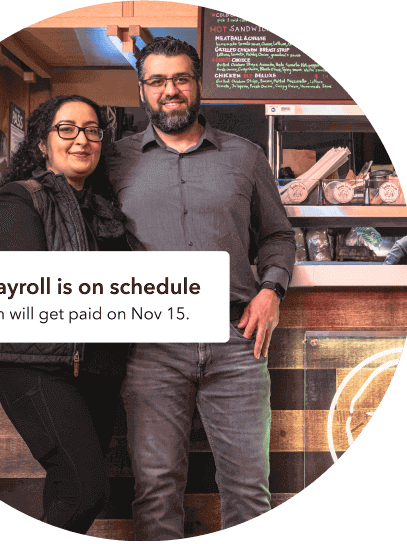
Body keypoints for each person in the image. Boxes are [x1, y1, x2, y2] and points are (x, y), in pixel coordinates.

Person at [106, 37, 296, 539]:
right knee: (155, 488)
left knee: (249, 488)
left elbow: (278, 234)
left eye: (180, 79)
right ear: (142, 89)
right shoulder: (115, 160)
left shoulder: (245, 156)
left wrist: (271, 289)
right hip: (150, 343)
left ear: (197, 84)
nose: (170, 90)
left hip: (236, 337)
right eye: (157, 81)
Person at [0, 95, 143, 534]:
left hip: (99, 370)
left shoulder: (107, 208)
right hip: (37, 367)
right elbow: (30, 287)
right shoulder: (21, 198)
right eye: (67, 129)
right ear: (41, 143)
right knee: (86, 489)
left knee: (66, 487)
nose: (81, 139)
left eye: (92, 130)